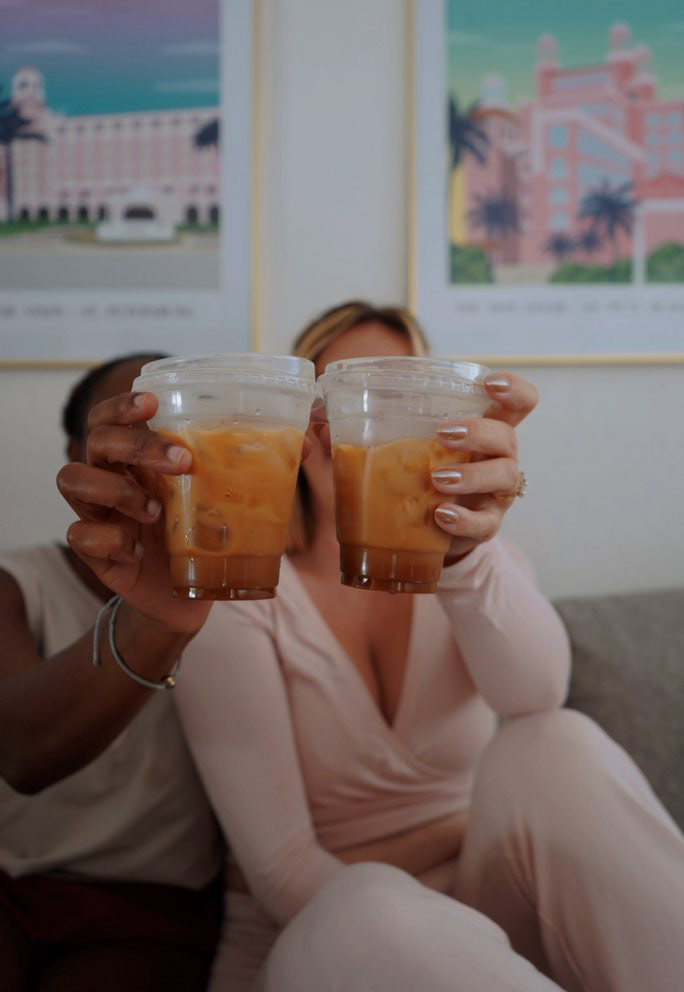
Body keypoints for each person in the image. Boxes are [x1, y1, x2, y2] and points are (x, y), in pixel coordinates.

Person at [57, 305, 684, 992]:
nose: (358, 416)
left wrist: (468, 559)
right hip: (324, 939)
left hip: (487, 927)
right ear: (294, 418)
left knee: (556, 745)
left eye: (394, 393)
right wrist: (461, 846)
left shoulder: (472, 562)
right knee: (369, 908)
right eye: (334, 393)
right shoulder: (235, 584)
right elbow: (282, 872)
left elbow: (536, 699)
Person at [0, 354, 224, 992]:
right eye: (134, 434)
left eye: (181, 430)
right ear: (80, 455)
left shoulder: (243, 586)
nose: (159, 455)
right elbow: (21, 753)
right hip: (13, 889)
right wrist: (154, 619)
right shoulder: (16, 583)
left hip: (156, 908)